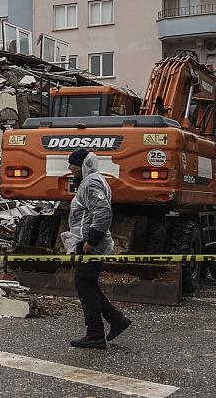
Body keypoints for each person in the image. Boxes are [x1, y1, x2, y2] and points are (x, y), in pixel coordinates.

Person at [64, 149, 131, 349]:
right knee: (87, 284)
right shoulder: (91, 181)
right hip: (87, 241)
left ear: (82, 166)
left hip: (90, 243)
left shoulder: (91, 183)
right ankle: (116, 320)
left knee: (85, 286)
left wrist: (91, 240)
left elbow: (102, 212)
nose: (69, 168)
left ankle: (95, 334)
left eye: (72, 164)